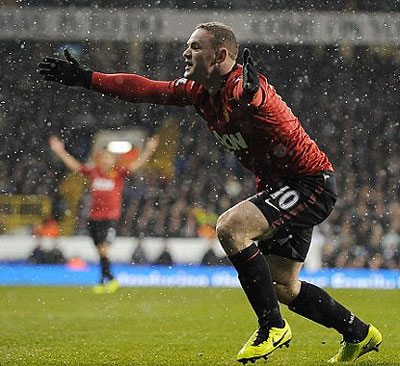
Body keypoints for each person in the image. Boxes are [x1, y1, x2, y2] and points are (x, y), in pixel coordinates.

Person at [39, 22, 382, 363]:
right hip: (281, 188)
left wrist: (252, 96)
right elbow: (145, 89)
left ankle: (272, 328)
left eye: (195, 47)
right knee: (283, 288)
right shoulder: (197, 90)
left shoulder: (245, 89)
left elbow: (261, 98)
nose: (186, 52)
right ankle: (359, 332)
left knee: (231, 228)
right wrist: (87, 79)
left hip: (309, 183)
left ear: (220, 55)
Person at [49, 135, 159, 294]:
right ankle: (106, 280)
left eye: (109, 157)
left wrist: (149, 150)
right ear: (99, 159)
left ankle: (107, 280)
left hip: (110, 218)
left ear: (114, 160)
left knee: (103, 250)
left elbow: (137, 165)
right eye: (104, 157)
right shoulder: (93, 172)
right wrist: (60, 151)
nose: (106, 160)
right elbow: (75, 166)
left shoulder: (118, 173)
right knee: (99, 250)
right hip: (93, 218)